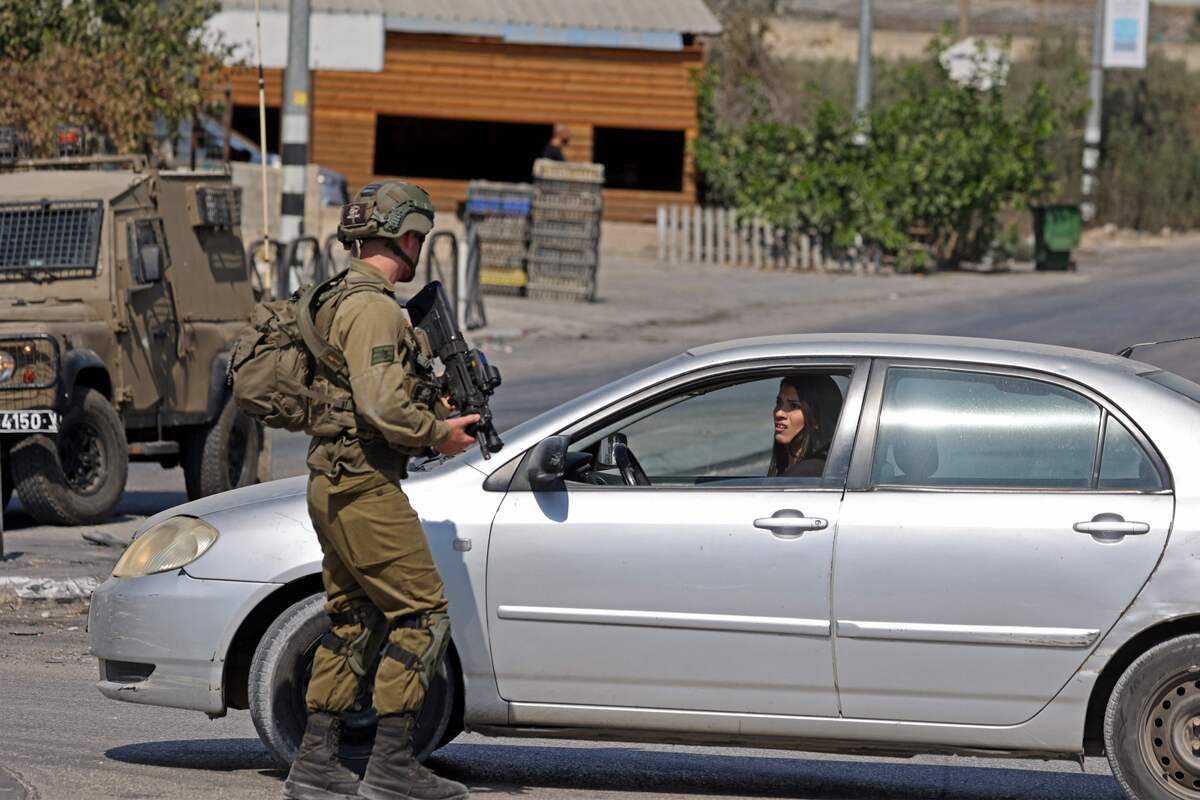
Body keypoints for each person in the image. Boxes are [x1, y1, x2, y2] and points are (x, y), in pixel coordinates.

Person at [283, 181, 478, 800]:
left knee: (353, 616)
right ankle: (393, 766)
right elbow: (379, 405)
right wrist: (438, 434)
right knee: (421, 614)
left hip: (337, 480)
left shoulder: (341, 295)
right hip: (364, 484)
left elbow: (365, 391)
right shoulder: (373, 307)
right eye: (418, 235)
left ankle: (316, 761)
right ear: (408, 236)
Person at [768, 374, 844, 478]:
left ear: (816, 419)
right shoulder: (788, 468)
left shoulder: (808, 472)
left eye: (794, 406)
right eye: (779, 402)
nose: (779, 413)